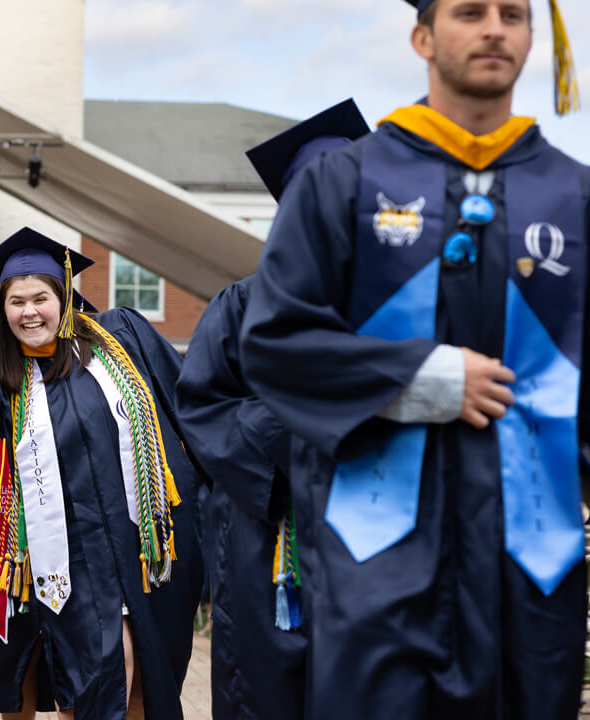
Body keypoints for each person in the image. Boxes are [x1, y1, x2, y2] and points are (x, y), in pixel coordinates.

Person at [239, 2, 588, 717]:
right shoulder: (342, 183)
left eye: (514, 14)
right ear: (423, 37)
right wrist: (420, 380)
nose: (495, 28)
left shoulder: (573, 196)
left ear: (533, 37)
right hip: (378, 572)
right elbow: (274, 341)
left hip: (532, 573)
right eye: (470, 11)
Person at [0, 227, 204, 720]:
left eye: (41, 297)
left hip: (147, 546)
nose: (29, 311)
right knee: (85, 679)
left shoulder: (121, 341)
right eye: (15, 301)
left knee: (150, 680)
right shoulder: (5, 384)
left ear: (65, 296)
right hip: (57, 554)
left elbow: (192, 407)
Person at [175, 99, 369, 720]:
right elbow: (202, 408)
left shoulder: (401, 308)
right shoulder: (239, 306)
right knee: (263, 693)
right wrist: (310, 422)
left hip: (377, 536)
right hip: (269, 542)